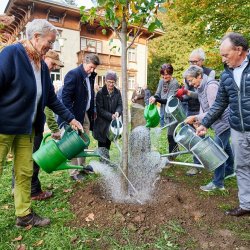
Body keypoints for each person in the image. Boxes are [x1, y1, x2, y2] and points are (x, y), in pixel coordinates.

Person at [0, 19, 83, 228]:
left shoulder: (42, 66)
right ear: (36, 37)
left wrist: (71, 118)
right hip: (4, 127)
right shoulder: (12, 54)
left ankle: (24, 215)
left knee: (25, 172)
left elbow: (52, 99)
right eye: (50, 41)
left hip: (28, 129)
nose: (51, 46)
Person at [196, 32, 250, 216]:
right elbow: (219, 103)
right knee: (241, 166)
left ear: (239, 50)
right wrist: (205, 123)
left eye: (226, 55)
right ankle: (246, 205)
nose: (223, 59)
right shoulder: (226, 75)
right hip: (237, 129)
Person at [183, 65, 234, 191]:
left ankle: (218, 183)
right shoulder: (201, 87)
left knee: (216, 152)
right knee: (224, 146)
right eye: (188, 81)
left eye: (191, 80)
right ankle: (230, 170)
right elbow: (204, 107)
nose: (190, 83)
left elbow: (215, 110)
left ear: (199, 76)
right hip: (218, 123)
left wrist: (195, 116)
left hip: (224, 123)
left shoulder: (211, 87)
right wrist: (200, 121)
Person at [57, 53, 100, 181]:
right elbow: (65, 98)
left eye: (94, 68)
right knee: (74, 143)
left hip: (85, 114)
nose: (92, 70)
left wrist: (92, 110)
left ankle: (82, 166)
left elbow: (88, 95)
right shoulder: (73, 74)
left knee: (84, 141)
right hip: (74, 116)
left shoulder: (89, 76)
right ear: (84, 62)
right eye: (91, 67)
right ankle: (74, 172)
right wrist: (71, 119)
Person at [178, 48, 216, 176]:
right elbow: (191, 94)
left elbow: (203, 94)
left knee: (207, 137)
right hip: (193, 108)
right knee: (193, 137)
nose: (192, 64)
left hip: (205, 110)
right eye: (190, 62)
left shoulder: (209, 73)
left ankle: (210, 162)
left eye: (194, 61)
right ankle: (196, 164)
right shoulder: (188, 74)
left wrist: (189, 93)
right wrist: (183, 94)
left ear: (202, 61)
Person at [93, 71, 123, 162]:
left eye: (113, 82)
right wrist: (111, 116)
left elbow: (120, 105)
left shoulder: (117, 92)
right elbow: (100, 110)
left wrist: (117, 112)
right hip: (102, 123)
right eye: (109, 81)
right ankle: (103, 162)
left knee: (108, 142)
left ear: (115, 82)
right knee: (102, 143)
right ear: (105, 81)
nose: (111, 84)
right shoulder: (100, 93)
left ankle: (106, 160)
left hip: (111, 123)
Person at [149, 63, 179, 154]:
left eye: (166, 74)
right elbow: (158, 93)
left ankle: (172, 155)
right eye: (163, 74)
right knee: (171, 133)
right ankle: (176, 150)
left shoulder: (174, 83)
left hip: (173, 111)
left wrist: (156, 99)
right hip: (164, 111)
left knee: (170, 135)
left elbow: (168, 100)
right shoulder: (161, 81)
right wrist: (154, 97)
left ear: (171, 73)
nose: (164, 77)